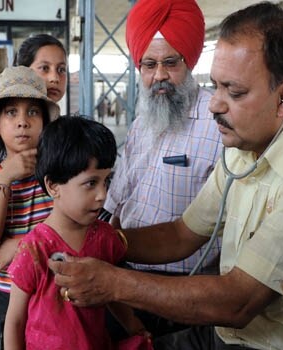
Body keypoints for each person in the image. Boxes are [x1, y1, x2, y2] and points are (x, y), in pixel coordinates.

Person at [49, 2, 283, 349]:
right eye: (216, 86)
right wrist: (107, 243)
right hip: (225, 333)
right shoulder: (244, 149)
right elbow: (183, 233)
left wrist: (113, 283)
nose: (214, 104)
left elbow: (238, 301)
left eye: (233, 92)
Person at [104, 0, 222, 336]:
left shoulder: (218, 124)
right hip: (125, 275)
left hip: (184, 292)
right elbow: (122, 189)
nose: (159, 76)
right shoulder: (144, 119)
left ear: (190, 60)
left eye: (170, 63)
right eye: (149, 64)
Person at [4, 116, 151, 350]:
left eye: (106, 181)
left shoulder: (104, 237)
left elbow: (112, 292)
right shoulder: (34, 248)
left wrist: (134, 327)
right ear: (53, 186)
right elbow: (14, 321)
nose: (102, 194)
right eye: (91, 183)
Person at [0, 65, 59, 350]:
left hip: (51, 294)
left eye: (32, 112)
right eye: (11, 113)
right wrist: (5, 178)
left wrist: (21, 244)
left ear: (44, 122)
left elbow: (74, 231)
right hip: (3, 297)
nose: (22, 122)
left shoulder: (58, 178)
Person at [0, 33, 67, 185]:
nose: (54, 78)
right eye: (44, 68)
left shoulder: (68, 131)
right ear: (22, 70)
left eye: (61, 69)